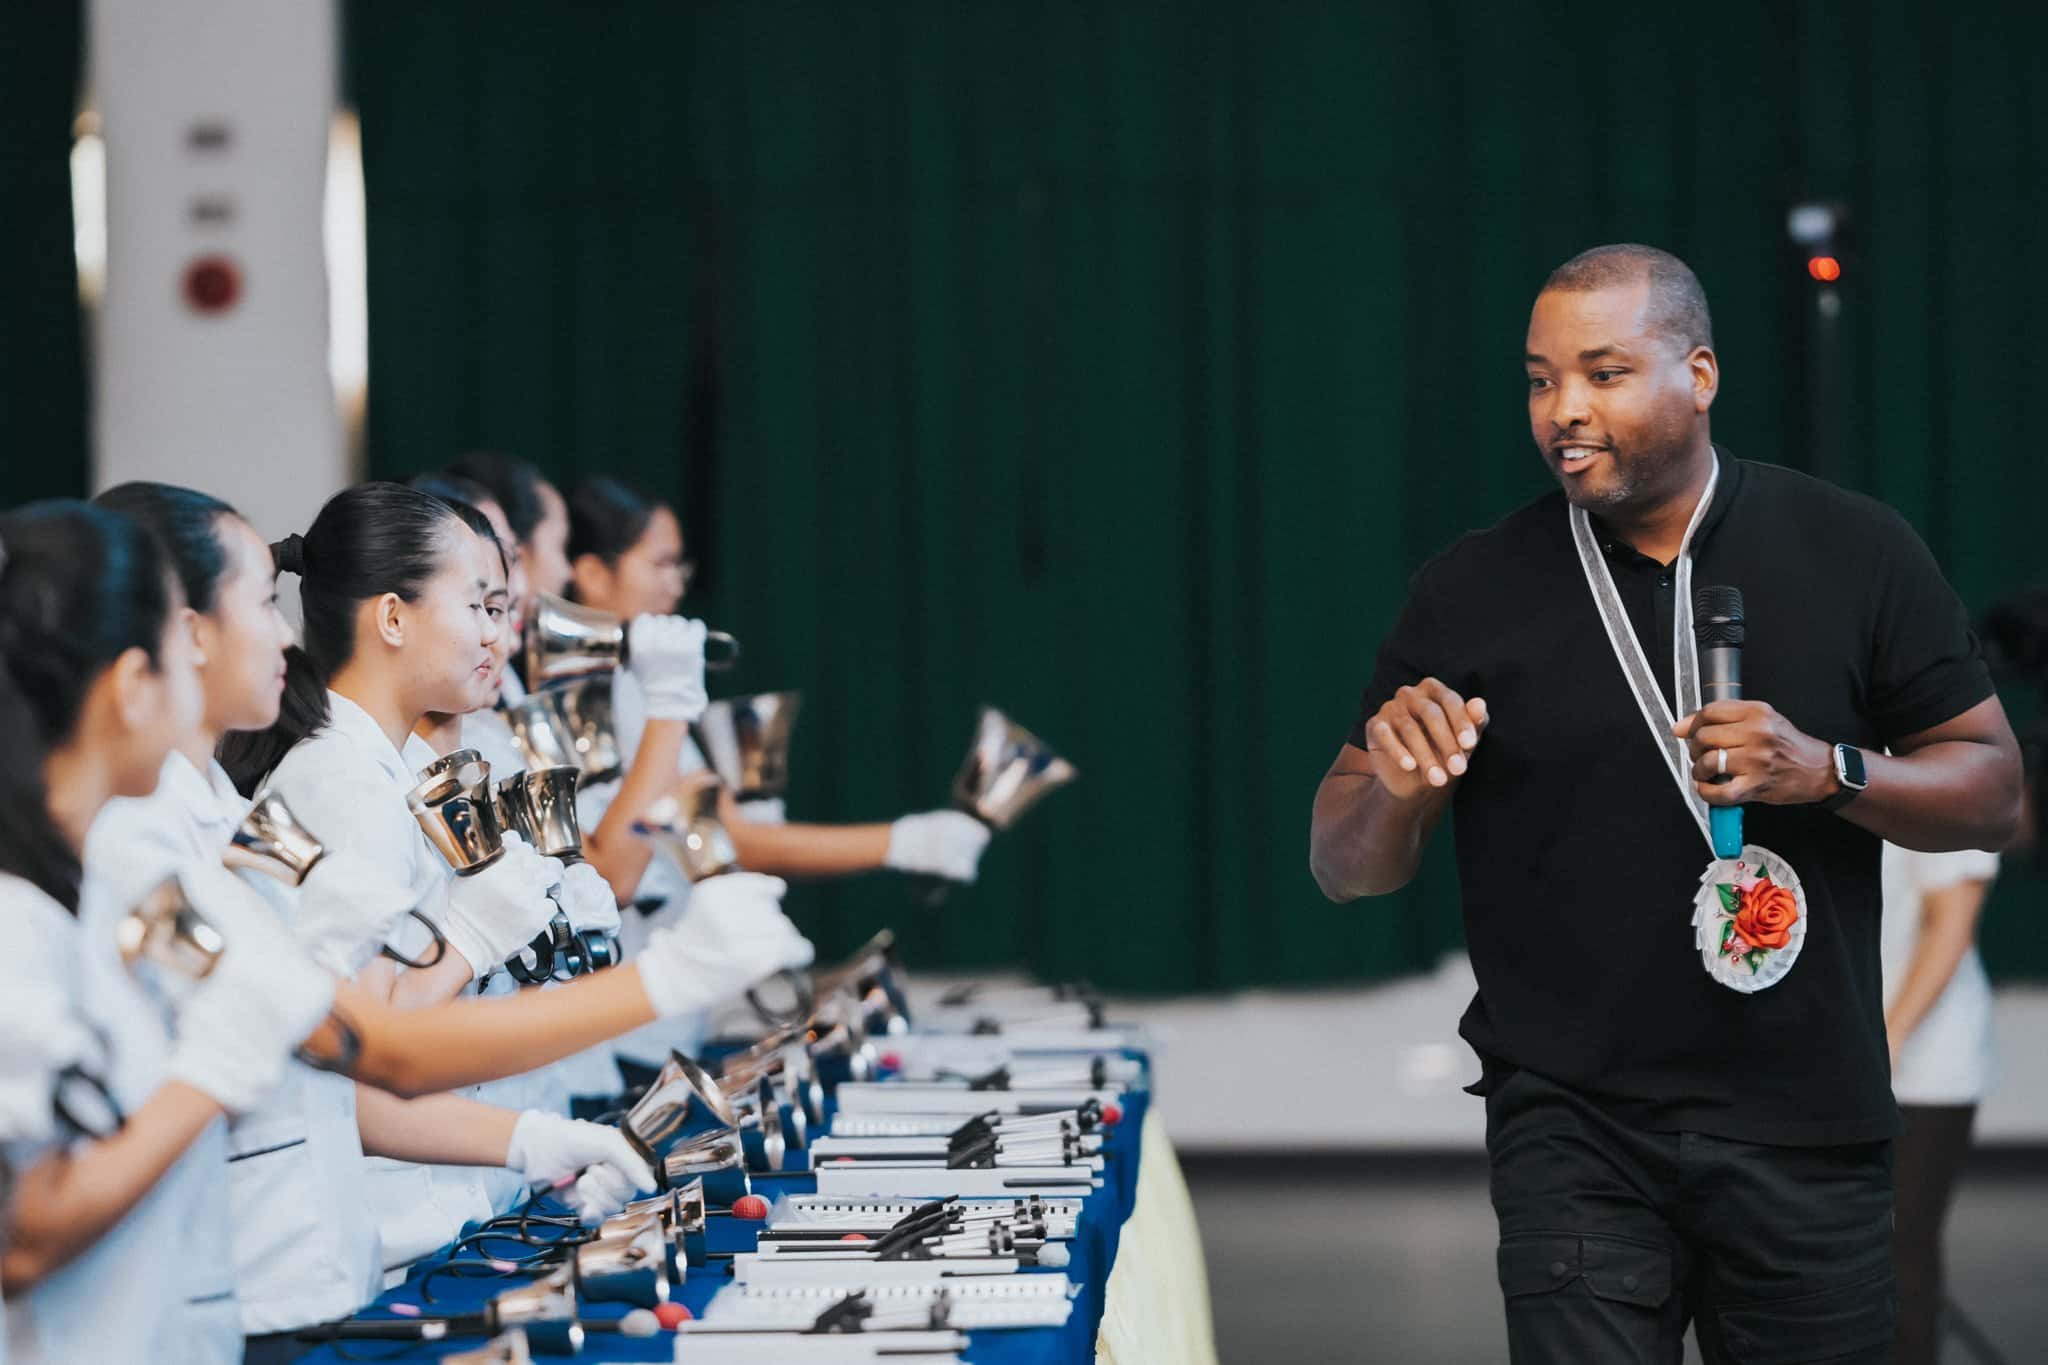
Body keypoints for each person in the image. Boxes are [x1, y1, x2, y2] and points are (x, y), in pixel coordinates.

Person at [1308, 244, 2023, 1361]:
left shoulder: (1854, 548)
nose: (1563, 411)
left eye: (1601, 372)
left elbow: (1989, 792)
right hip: (1572, 1125)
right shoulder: (1470, 588)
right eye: (1541, 379)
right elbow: (1344, 864)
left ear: (1697, 374)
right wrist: (1394, 795)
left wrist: (1826, 771)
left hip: (1807, 1127)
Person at [0, 501, 330, 1363]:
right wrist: (213, 1070)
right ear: (132, 684)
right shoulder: (21, 916)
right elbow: (21, 1234)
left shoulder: (94, 878)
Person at [1880, 842, 1997, 1364]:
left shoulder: (1946, 768)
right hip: (1848, 1062)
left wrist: (1889, 1038)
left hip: (1923, 1068)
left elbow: (1951, 922)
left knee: (1902, 1252)